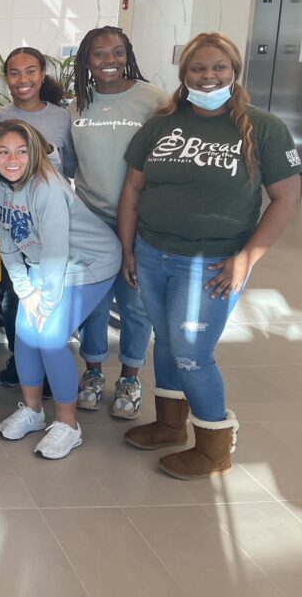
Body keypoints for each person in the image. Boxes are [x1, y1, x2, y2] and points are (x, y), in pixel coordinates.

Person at [118, 33, 301, 479]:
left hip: (211, 262)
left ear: (234, 71)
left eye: (218, 67)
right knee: (165, 339)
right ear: (184, 75)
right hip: (152, 251)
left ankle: (215, 444)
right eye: (198, 68)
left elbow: (285, 199)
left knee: (192, 352)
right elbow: (134, 189)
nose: (208, 76)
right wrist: (128, 248)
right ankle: (168, 424)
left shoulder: (265, 128)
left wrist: (247, 258)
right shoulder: (161, 124)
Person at [0, 120, 121, 459]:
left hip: (89, 265)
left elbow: (57, 251)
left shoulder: (47, 187)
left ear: (33, 154)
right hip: (45, 266)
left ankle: (67, 425)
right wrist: (24, 290)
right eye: (3, 152)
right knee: (23, 334)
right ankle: (33, 411)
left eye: (21, 151)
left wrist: (44, 303)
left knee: (49, 336)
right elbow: (7, 243)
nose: (12, 159)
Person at [68, 27, 167, 420]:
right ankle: (92, 373)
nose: (109, 60)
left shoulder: (153, 100)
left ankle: (129, 376)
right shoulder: (76, 104)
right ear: (86, 60)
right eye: (99, 54)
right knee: (93, 303)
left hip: (141, 219)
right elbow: (71, 164)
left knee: (135, 301)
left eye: (118, 52)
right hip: (90, 218)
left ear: (128, 54)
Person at [0, 46, 77, 388]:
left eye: (30, 71)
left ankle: (50, 369)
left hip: (51, 227)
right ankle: (21, 362)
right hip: (14, 227)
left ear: (43, 75)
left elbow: (70, 167)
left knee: (51, 301)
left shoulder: (62, 117)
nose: (23, 79)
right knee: (15, 299)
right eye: (14, 73)